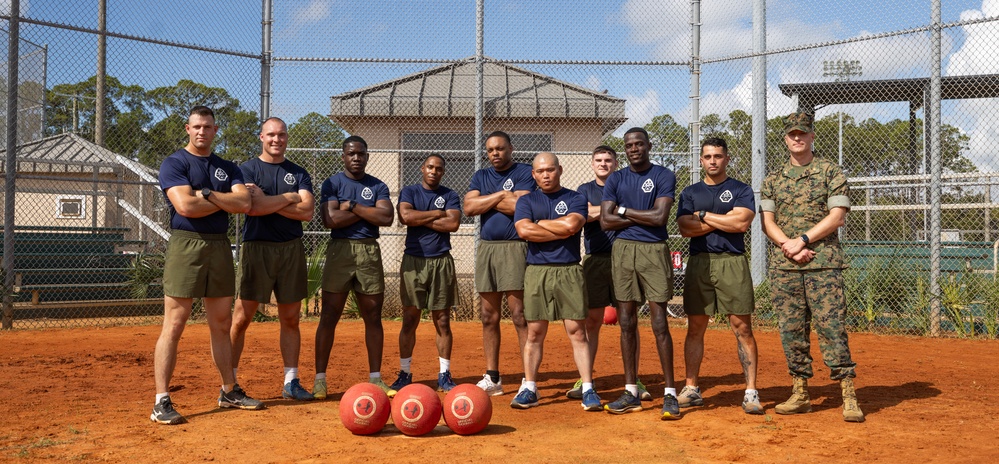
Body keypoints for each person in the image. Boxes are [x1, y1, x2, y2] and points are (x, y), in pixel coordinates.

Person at [151, 106, 261, 425]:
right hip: (186, 244)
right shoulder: (175, 162)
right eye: (197, 126)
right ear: (188, 128)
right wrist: (221, 200)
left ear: (215, 130)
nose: (202, 132)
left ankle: (229, 390)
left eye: (208, 127)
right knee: (175, 322)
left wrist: (208, 194)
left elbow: (244, 203)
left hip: (219, 246)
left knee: (221, 322)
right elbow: (184, 206)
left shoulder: (227, 166)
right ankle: (161, 401)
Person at [760, 111, 864, 423]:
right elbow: (768, 222)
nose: (797, 138)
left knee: (831, 328)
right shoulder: (772, 179)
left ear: (812, 136)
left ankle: (848, 393)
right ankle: (800, 392)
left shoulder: (830, 171)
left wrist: (802, 240)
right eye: (792, 134)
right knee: (791, 331)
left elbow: (838, 216)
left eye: (802, 133)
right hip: (786, 267)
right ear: (785, 138)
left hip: (823, 264)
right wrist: (788, 246)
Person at [228, 117, 315, 402]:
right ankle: (229, 385)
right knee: (241, 318)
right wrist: (289, 198)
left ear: (287, 138)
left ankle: (291, 382)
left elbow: (306, 213)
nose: (276, 140)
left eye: (281, 135)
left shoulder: (299, 172)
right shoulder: (247, 169)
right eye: (271, 135)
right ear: (261, 137)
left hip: (291, 248)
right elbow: (251, 208)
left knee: (290, 318)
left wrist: (270, 201)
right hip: (258, 248)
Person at [675, 137, 763, 414]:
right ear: (701, 160)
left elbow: (740, 224)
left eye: (718, 156)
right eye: (708, 156)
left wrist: (703, 216)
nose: (713, 161)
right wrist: (720, 219)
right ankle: (691, 389)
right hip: (700, 262)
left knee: (743, 328)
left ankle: (750, 392)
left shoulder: (740, 188)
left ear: (726, 159)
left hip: (732, 263)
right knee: (695, 328)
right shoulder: (689, 192)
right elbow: (685, 228)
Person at [599, 127, 680, 420]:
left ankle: (670, 393)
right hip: (623, 252)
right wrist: (635, 214)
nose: (634, 148)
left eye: (639, 144)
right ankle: (631, 391)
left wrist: (622, 210)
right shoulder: (616, 178)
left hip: (654, 250)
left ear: (648, 145)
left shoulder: (662, 176)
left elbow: (660, 217)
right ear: (625, 149)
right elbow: (606, 223)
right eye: (629, 145)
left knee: (659, 322)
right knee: (626, 321)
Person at [511, 152, 601, 411]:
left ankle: (587, 388)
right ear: (533, 174)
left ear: (560, 170)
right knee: (535, 333)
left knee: (577, 332)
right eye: (540, 171)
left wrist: (540, 224)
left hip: (569, 271)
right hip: (537, 272)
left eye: (550, 170)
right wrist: (555, 227)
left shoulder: (575, 197)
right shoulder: (527, 200)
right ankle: (530, 389)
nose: (546, 175)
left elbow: (572, 226)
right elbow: (523, 230)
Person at [313, 135, 396, 399]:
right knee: (329, 315)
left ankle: (376, 378)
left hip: (369, 250)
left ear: (367, 156)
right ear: (343, 157)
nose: (356, 158)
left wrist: (351, 205)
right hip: (340, 251)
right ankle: (320, 380)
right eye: (351, 154)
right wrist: (365, 211)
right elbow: (330, 219)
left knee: (372, 316)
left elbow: (386, 217)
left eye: (361, 153)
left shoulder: (378, 185)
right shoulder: (332, 183)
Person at [567, 146, 651, 402]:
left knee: (629, 321)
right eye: (599, 160)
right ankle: (586, 379)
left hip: (626, 258)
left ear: (616, 163)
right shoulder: (584, 190)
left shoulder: (626, 184)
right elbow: (582, 216)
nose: (603, 164)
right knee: (591, 321)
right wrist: (614, 212)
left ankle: (633, 379)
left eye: (608, 160)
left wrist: (600, 212)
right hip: (595, 260)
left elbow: (635, 216)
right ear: (592, 164)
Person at [463, 131, 535, 396]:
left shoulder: (525, 172)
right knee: (488, 316)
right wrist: (500, 196)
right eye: (491, 150)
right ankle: (493, 377)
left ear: (510, 148)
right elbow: (469, 208)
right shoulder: (481, 175)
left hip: (515, 247)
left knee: (519, 315)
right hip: (487, 249)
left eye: (500, 149)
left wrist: (487, 200)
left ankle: (529, 379)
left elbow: (522, 205)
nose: (495, 154)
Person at [389, 154, 462, 392]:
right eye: (430, 167)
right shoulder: (409, 192)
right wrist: (438, 214)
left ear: (443, 172)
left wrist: (421, 218)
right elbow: (406, 217)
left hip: (441, 261)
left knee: (442, 320)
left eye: (439, 169)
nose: (434, 171)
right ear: (422, 168)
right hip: (414, 262)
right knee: (410, 319)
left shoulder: (450, 195)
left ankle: (444, 374)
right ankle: (405, 373)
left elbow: (452, 225)